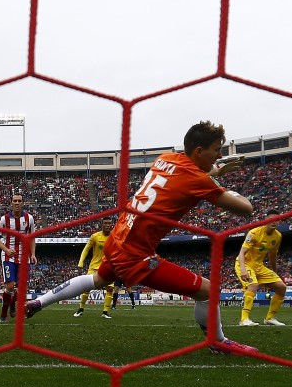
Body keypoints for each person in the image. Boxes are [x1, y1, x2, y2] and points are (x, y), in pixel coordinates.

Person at [25, 121, 258, 355]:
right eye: (216, 149)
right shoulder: (200, 181)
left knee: (97, 280)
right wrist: (218, 180)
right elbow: (245, 208)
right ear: (199, 151)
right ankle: (217, 342)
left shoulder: (165, 158)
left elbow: (185, 177)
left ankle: (39, 302)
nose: (219, 154)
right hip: (135, 255)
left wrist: (213, 172)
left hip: (118, 238)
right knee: (207, 290)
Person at [236, 209, 287, 326]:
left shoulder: (278, 236)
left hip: (259, 266)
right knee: (253, 284)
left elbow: (273, 255)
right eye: (271, 220)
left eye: (276, 220)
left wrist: (275, 272)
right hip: (244, 263)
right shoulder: (254, 233)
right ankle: (244, 319)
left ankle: (270, 318)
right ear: (266, 221)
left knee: (281, 287)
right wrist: (243, 269)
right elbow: (241, 253)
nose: (274, 222)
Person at [0, 193, 37, 323]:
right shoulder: (4, 219)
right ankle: (3, 313)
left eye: (19, 201)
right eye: (15, 201)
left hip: (24, 257)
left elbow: (32, 238)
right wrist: (6, 249)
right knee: (10, 286)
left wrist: (33, 254)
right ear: (11, 203)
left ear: (22, 203)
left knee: (22, 288)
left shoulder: (29, 218)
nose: (17, 203)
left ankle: (12, 304)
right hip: (8, 256)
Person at [74, 217, 115, 318]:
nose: (107, 225)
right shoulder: (95, 236)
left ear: (112, 225)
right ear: (102, 225)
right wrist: (81, 262)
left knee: (109, 289)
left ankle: (105, 312)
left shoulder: (115, 237)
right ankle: (80, 309)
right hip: (94, 266)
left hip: (108, 267)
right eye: (105, 223)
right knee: (86, 287)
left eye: (109, 223)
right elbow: (86, 249)